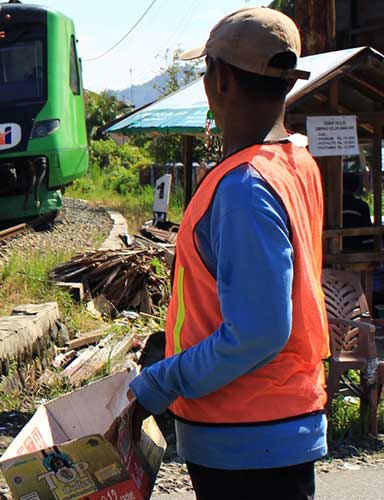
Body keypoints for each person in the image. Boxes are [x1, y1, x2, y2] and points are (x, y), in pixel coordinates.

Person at [127, 7, 329, 500]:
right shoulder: (295, 162)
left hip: (247, 436)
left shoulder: (243, 188)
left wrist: (159, 383)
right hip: (274, 426)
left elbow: (259, 330)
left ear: (217, 80)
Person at [341, 171, 373, 251]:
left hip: (335, 250)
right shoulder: (362, 206)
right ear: (356, 187)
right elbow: (368, 234)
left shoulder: (331, 207)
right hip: (358, 249)